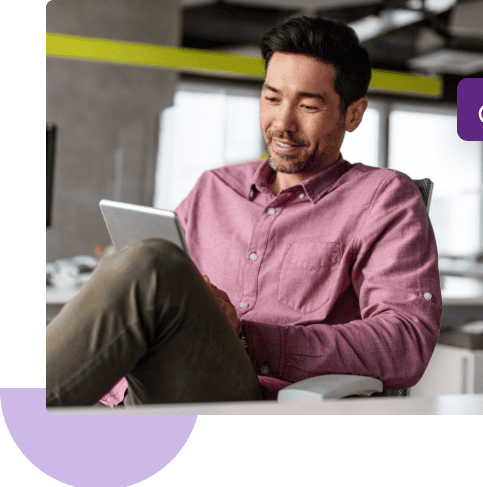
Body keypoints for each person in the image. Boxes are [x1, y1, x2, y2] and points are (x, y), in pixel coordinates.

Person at [46, 16, 442, 406]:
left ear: (352, 114)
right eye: (271, 98)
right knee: (136, 265)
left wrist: (247, 338)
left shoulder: (384, 198)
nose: (282, 123)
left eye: (308, 106)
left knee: (152, 259)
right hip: (147, 384)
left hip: (251, 399)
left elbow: (405, 343)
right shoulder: (214, 187)